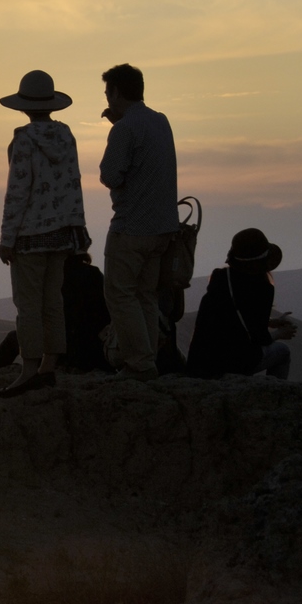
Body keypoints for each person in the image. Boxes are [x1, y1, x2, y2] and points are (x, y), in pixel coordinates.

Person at [0, 70, 90, 398]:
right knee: (53, 300)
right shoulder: (67, 137)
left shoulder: (23, 140)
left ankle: (28, 369)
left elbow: (17, 192)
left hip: (31, 236)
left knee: (28, 304)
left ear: (23, 106)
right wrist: (78, 231)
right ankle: (50, 364)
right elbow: (73, 185)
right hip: (62, 234)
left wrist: (7, 238)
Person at [97, 63, 179, 380]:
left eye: (107, 92)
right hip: (163, 227)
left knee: (119, 293)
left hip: (132, 227)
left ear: (116, 91)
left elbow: (109, 174)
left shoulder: (124, 128)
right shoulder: (161, 121)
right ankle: (147, 360)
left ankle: (139, 363)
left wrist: (116, 128)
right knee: (145, 294)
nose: (107, 98)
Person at [184, 228, 297, 379]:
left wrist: (270, 322)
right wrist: (280, 334)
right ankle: (275, 394)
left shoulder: (220, 278)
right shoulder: (263, 288)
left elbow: (227, 319)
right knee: (283, 352)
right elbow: (259, 338)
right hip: (232, 363)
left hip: (201, 363)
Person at [0, 251, 112, 374]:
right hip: (95, 350)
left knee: (14, 338)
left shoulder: (54, 277)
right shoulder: (94, 274)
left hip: (67, 350)